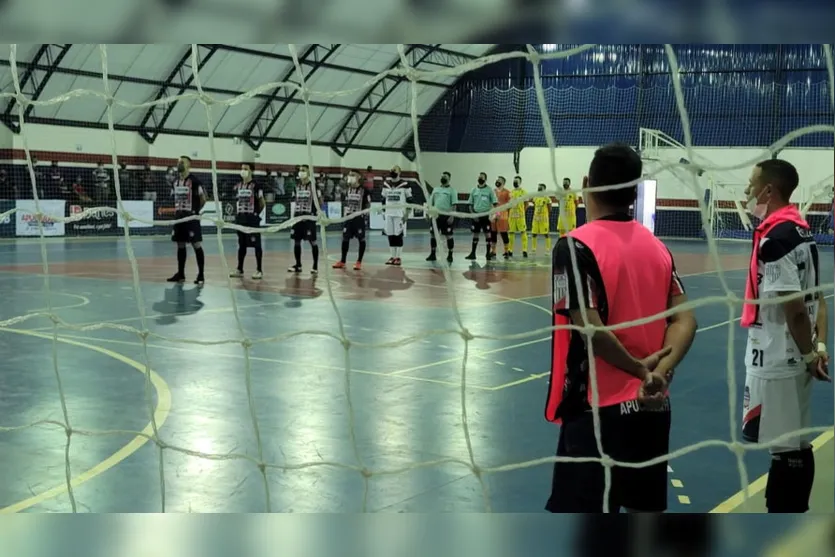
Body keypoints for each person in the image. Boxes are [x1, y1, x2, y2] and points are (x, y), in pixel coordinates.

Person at [544, 143, 697, 513]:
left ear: (586, 184)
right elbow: (685, 318)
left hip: (597, 410)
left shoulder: (574, 247)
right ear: (633, 194)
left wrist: (638, 369)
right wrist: (658, 373)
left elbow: (589, 328)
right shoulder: (657, 247)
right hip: (651, 406)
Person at [740, 159, 830, 513]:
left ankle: (785, 511)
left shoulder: (776, 241)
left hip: (780, 357)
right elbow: (819, 299)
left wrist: (809, 356)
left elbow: (794, 308)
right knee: (791, 441)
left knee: (787, 446)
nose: (747, 192)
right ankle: (786, 506)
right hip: (794, 353)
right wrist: (819, 345)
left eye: (751, 185)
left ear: (768, 190)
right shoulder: (801, 231)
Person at [167, 155, 206, 285]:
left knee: (196, 244)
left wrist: (195, 211)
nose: (179, 164)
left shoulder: (195, 181)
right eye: (178, 162)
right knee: (180, 244)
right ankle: (181, 274)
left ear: (188, 165)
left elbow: (203, 199)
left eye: (182, 162)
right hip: (179, 218)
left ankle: (201, 274)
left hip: (191, 218)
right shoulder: (175, 182)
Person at [229, 162, 264, 279]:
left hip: (252, 220)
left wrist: (255, 215)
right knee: (241, 245)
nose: (243, 170)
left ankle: (259, 270)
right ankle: (239, 269)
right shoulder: (238, 186)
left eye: (245, 168)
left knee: (256, 245)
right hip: (241, 219)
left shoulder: (256, 186)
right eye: (242, 168)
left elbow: (262, 203)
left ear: (251, 171)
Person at [333, 170, 371, 270]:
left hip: (359, 219)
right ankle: (342, 261)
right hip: (348, 218)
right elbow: (345, 202)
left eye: (353, 175)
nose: (350, 177)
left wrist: (364, 214)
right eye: (349, 175)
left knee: (361, 239)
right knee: (345, 239)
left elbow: (368, 205)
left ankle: (359, 262)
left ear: (358, 177)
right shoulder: (347, 190)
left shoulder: (364, 190)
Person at [288, 164, 322, 274]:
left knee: (313, 241)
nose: (301, 172)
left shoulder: (314, 187)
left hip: (309, 218)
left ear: (308, 173)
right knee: (296, 242)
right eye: (300, 170)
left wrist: (316, 213)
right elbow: (295, 200)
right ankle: (298, 265)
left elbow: (320, 202)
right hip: (298, 218)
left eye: (304, 170)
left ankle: (315, 265)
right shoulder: (296, 186)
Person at [382, 165, 412, 266]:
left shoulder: (405, 184)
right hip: (388, 214)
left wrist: (407, 214)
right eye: (391, 169)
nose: (392, 171)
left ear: (399, 172)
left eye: (394, 170)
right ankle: (392, 256)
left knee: (398, 235)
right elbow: (383, 199)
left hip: (399, 214)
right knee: (390, 235)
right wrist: (383, 212)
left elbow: (410, 200)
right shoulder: (386, 184)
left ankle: (398, 257)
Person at [426, 171, 457, 263]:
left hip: (446, 216)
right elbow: (430, 203)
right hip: (435, 216)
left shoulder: (452, 191)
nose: (443, 177)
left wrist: (452, 216)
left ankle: (450, 255)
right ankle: (433, 254)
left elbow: (454, 205)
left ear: (449, 179)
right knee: (433, 234)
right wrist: (428, 213)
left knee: (448, 235)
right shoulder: (435, 189)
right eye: (442, 176)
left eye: (445, 176)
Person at [465, 172, 498, 261]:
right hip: (476, 215)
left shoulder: (489, 190)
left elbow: (495, 204)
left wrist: (494, 215)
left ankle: (487, 254)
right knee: (475, 234)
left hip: (485, 216)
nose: (480, 179)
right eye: (479, 177)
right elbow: (470, 204)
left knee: (487, 234)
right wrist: (473, 214)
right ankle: (473, 253)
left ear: (485, 179)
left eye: (482, 178)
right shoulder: (473, 190)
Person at [507, 175, 529, 257]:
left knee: (523, 232)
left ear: (520, 182)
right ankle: (510, 250)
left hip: (520, 216)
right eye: (514, 181)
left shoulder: (524, 192)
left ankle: (524, 250)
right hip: (512, 217)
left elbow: (527, 204)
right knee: (511, 233)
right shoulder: (511, 193)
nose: (515, 182)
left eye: (516, 181)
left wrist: (522, 212)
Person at [491, 176, 511, 259]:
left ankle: (506, 251)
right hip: (494, 214)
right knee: (493, 233)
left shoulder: (507, 192)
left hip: (502, 216)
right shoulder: (493, 191)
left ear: (503, 182)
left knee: (504, 233)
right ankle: (493, 251)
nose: (497, 182)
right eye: (497, 180)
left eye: (499, 181)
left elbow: (510, 204)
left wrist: (504, 212)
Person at [530, 183, 553, 256]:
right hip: (536, 219)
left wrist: (545, 216)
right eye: (538, 187)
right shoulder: (535, 198)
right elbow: (534, 204)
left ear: (544, 189)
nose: (539, 188)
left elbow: (550, 208)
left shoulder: (547, 198)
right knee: (534, 234)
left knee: (546, 234)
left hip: (544, 219)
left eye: (541, 187)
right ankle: (533, 249)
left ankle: (547, 250)